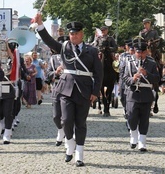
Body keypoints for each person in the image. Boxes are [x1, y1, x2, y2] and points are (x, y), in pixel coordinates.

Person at [34, 13, 103, 167]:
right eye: (71, 34)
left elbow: (99, 74)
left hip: (84, 90)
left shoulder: (91, 51)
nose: (73, 36)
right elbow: (49, 41)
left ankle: (79, 154)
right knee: (65, 120)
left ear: (82, 34)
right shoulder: (64, 47)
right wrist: (40, 25)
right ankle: (69, 143)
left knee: (80, 123)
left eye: (76, 34)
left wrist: (95, 92)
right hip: (66, 89)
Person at [123, 38, 160, 152]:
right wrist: (132, 79)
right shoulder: (129, 62)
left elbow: (157, 78)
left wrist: (146, 73)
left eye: (143, 52)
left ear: (146, 52)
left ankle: (142, 142)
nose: (140, 54)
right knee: (132, 116)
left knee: (144, 119)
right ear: (134, 52)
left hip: (146, 93)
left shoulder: (152, 63)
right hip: (132, 93)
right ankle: (133, 134)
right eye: (138, 52)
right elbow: (124, 78)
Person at [0, 38, 20, 144]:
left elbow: (13, 60)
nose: (4, 52)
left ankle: (7, 134)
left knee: (8, 113)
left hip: (8, 87)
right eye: (3, 50)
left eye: (6, 50)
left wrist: (7, 46)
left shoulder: (11, 60)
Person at [46, 35, 69, 147]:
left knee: (67, 116)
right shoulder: (53, 59)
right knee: (56, 116)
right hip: (57, 87)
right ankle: (60, 130)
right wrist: (55, 72)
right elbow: (47, 75)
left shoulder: (71, 57)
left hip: (69, 87)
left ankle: (68, 138)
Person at [91, 26, 118, 116]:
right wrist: (100, 50)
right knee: (95, 63)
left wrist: (109, 49)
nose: (103, 31)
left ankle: (117, 76)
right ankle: (94, 75)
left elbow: (115, 47)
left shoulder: (111, 38)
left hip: (109, 54)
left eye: (104, 30)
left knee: (116, 63)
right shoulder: (98, 38)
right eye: (102, 30)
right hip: (101, 54)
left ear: (107, 31)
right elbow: (94, 47)